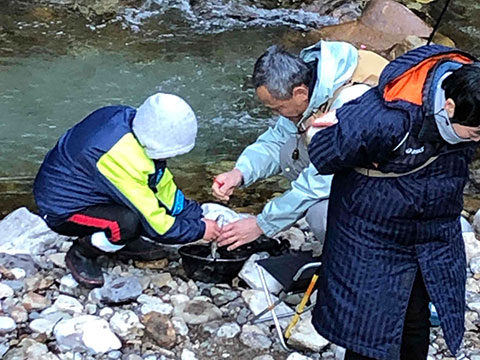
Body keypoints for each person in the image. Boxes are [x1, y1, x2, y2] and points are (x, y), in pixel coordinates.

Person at [307, 45, 479, 359]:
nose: (478, 139)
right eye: (476, 132)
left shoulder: (473, 101)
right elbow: (321, 153)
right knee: (367, 330)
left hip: (433, 233)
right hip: (370, 233)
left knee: (415, 319)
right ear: (450, 106)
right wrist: (340, 122)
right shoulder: (388, 118)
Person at [34, 93, 220, 288]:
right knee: (126, 223)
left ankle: (122, 243)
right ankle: (81, 253)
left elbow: (159, 180)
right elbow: (158, 227)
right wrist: (200, 230)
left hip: (94, 188)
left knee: (137, 210)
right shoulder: (117, 157)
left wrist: (195, 214)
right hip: (61, 207)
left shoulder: (133, 122)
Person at [212, 41, 375, 250]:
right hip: (357, 174)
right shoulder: (313, 87)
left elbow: (319, 180)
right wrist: (239, 173)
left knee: (320, 215)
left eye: (278, 108)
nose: (275, 114)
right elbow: (275, 141)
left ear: (300, 93)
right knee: (289, 150)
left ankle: (355, 261)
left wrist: (262, 224)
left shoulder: (349, 103)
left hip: (390, 191)